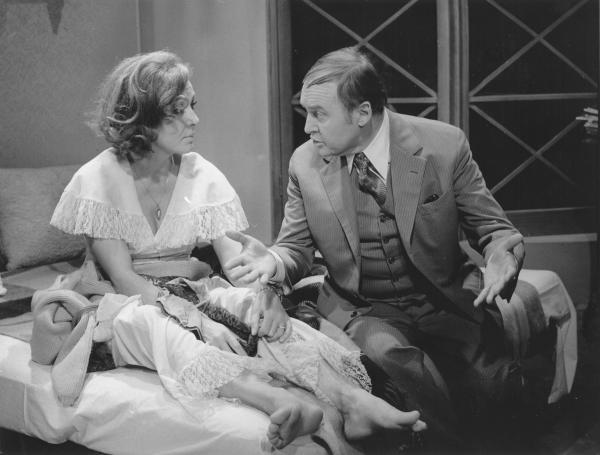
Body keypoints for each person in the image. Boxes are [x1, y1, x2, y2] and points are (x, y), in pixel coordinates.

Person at [47, 50, 426, 451]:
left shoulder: (200, 173)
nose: (194, 119)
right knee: (148, 324)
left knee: (249, 308)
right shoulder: (99, 178)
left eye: (192, 105)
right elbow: (124, 279)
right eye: (178, 110)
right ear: (144, 116)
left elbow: (237, 262)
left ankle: (352, 401)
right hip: (127, 300)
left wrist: (266, 294)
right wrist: (196, 320)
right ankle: (276, 401)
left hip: (189, 289)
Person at [224, 46, 526, 448]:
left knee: (492, 386)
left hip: (445, 299)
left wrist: (501, 256)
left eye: (319, 114)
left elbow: (494, 229)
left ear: (362, 113)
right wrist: (275, 260)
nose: (308, 127)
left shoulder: (442, 145)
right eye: (306, 113)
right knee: (400, 365)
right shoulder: (305, 164)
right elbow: (295, 247)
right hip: (364, 306)